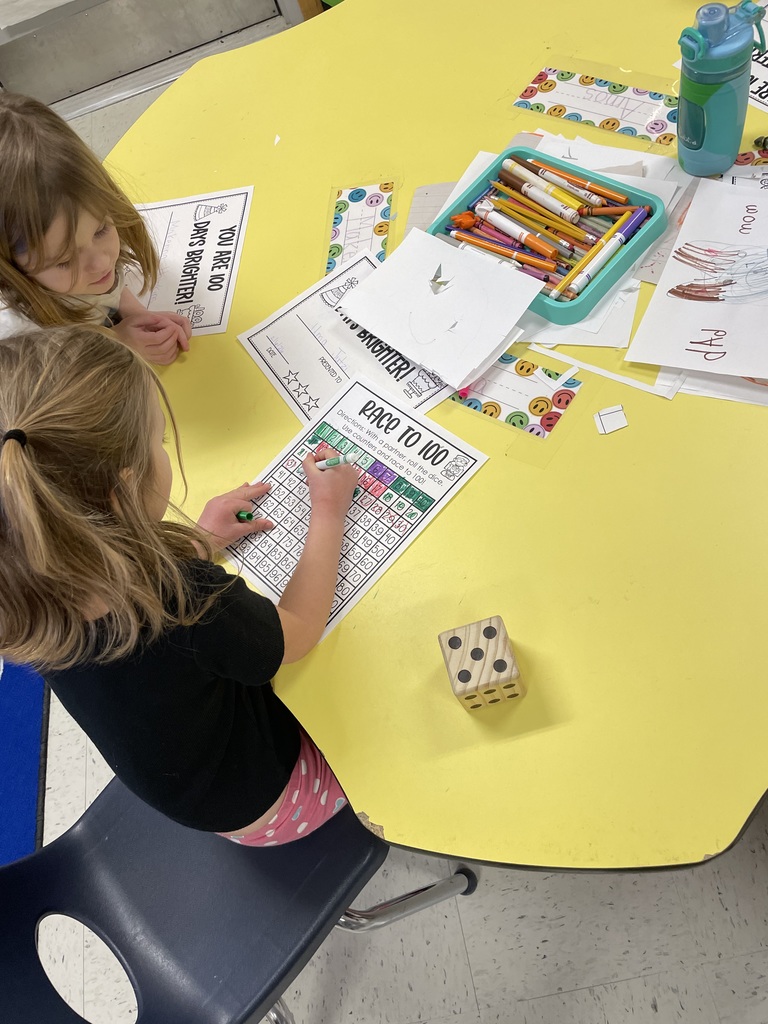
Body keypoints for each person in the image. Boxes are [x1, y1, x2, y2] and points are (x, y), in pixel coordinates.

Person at [0, 326, 359, 845]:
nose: (164, 449)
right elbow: (298, 634)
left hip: (191, 790)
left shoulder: (27, 585)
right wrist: (328, 511)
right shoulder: (180, 598)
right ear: (125, 486)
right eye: (158, 442)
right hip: (274, 805)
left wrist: (200, 537)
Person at [0, 92, 191, 365]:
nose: (103, 262)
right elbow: (57, 376)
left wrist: (134, 312)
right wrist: (118, 343)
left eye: (102, 230)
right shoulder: (17, 334)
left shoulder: (82, 239)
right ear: (11, 271)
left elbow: (111, 283)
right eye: (64, 261)